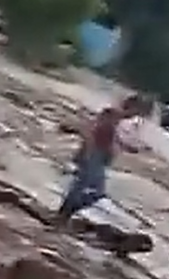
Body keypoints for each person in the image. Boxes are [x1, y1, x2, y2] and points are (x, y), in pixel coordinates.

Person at [55, 94, 152, 223]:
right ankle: (65, 213)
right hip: (94, 155)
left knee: (83, 187)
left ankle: (64, 214)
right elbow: (91, 132)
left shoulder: (118, 119)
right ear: (134, 107)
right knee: (93, 191)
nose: (138, 116)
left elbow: (113, 139)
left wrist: (130, 147)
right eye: (139, 111)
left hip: (99, 157)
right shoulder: (112, 115)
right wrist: (87, 152)